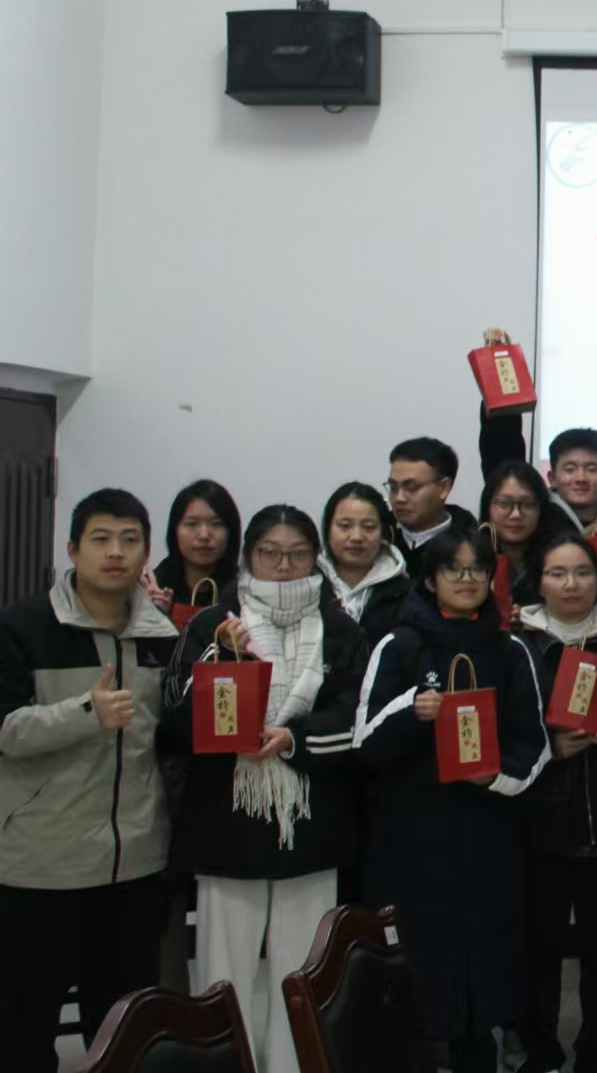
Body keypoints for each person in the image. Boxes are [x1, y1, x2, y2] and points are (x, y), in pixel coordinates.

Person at [161, 505, 367, 1073]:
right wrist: (222, 657)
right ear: (248, 556)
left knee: (304, 976)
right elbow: (174, 723)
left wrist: (294, 738)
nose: (282, 565)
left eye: (297, 554)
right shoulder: (213, 624)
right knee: (221, 976)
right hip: (227, 822)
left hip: (311, 824)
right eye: (269, 553)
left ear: (315, 559)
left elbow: (356, 719)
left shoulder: (341, 629)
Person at [355, 525, 551, 1073]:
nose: (467, 579)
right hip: (411, 843)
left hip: (489, 841)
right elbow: (364, 743)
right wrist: (412, 710)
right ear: (429, 578)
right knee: (414, 982)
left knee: (483, 983)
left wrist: (495, 777)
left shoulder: (511, 649)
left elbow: (535, 746)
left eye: (478, 569)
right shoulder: (399, 645)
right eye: (453, 569)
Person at [0, 489, 177, 1072]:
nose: (115, 552)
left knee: (124, 1032)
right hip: (41, 866)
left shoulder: (162, 637)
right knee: (24, 1028)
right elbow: (5, 730)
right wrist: (83, 714)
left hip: (135, 868)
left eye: (130, 540)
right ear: (74, 549)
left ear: (146, 553)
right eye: (101, 539)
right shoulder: (22, 626)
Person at [517, 533, 597, 1073]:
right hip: (538, 825)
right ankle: (539, 1055)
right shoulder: (518, 644)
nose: (571, 585)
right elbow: (502, 726)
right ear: (539, 582)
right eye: (557, 573)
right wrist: (548, 745)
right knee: (537, 952)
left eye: (583, 572)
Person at [478, 328, 597, 530]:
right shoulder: (534, 519)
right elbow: (503, 453)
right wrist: (501, 372)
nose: (581, 478)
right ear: (552, 478)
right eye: (570, 469)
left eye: (591, 469)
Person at [319, 481, 410, 646]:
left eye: (368, 527)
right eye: (345, 526)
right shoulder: (310, 584)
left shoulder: (404, 592)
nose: (356, 537)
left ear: (383, 532)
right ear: (328, 529)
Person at [143, 479, 242, 619]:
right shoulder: (151, 588)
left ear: (231, 532)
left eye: (216, 524)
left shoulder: (245, 592)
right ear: (175, 531)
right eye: (192, 524)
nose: (204, 535)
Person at [386, 436, 477, 570]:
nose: (399, 498)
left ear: (444, 488)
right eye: (393, 487)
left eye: (411, 487)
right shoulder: (379, 538)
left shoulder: (474, 544)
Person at [480, 459, 561, 607]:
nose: (516, 514)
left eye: (527, 504)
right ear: (488, 507)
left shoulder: (558, 560)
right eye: (504, 504)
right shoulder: (470, 558)